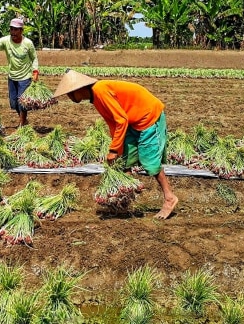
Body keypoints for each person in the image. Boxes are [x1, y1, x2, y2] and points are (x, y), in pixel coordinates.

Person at [52, 70, 179, 219]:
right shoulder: (95, 98)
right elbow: (113, 123)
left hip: (148, 117)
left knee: (149, 160)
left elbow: (121, 120)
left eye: (70, 93)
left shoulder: (100, 90)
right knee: (125, 160)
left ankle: (170, 198)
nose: (69, 97)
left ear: (79, 89)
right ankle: (124, 200)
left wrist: (113, 150)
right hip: (132, 121)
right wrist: (116, 149)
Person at [0, 18, 39, 127]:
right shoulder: (5, 40)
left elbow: (34, 58)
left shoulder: (28, 43)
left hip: (25, 77)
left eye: (16, 30)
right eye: (11, 29)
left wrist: (35, 71)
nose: (13, 32)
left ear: (21, 31)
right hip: (12, 76)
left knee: (22, 102)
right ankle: (23, 120)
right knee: (14, 103)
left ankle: (22, 123)